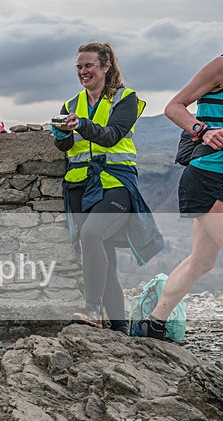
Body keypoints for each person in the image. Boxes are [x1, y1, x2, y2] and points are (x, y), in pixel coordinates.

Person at [52, 42, 163, 333]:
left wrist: (81, 125)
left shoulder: (126, 98)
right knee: (106, 257)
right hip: (79, 186)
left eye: (88, 65)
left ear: (105, 66)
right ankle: (119, 329)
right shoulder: (71, 104)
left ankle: (91, 309)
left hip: (115, 183)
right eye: (79, 66)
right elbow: (65, 147)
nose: (82, 71)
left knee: (92, 235)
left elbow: (112, 135)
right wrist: (60, 134)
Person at [137, 56, 223, 340]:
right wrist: (203, 130)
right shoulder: (220, 67)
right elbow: (173, 107)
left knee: (202, 261)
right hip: (208, 177)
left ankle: (155, 324)